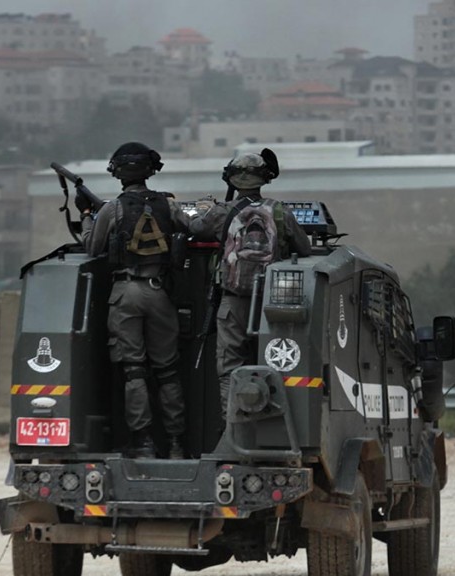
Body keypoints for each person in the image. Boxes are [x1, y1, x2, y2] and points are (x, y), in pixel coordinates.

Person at [79, 142, 190, 459]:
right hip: (159, 292)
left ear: (117, 173)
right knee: (167, 371)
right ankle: (177, 445)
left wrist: (87, 214)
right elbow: (194, 227)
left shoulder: (113, 209)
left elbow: (91, 246)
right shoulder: (167, 206)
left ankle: (143, 444)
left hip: (125, 293)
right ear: (150, 171)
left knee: (134, 371)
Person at [190, 149, 311, 427]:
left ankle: (232, 432)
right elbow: (303, 248)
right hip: (270, 305)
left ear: (232, 180)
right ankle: (268, 430)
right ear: (263, 179)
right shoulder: (279, 212)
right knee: (271, 367)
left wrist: (202, 210)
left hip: (232, 302)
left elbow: (195, 228)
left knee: (229, 369)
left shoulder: (222, 212)